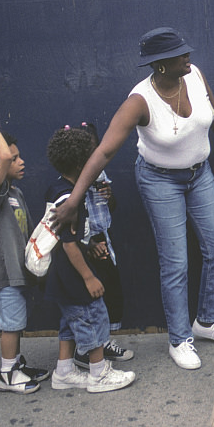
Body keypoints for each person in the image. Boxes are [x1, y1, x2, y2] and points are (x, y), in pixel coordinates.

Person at [50, 28, 214, 370]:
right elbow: (104, 152)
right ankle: (179, 339)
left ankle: (205, 321)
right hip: (160, 180)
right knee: (176, 262)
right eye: (180, 54)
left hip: (200, 174)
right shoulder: (139, 102)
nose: (188, 57)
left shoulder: (196, 74)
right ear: (160, 65)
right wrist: (74, 200)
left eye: (187, 52)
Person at [44, 128, 136, 393]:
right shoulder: (69, 199)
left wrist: (93, 243)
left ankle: (64, 371)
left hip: (62, 272)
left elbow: (73, 237)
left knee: (69, 323)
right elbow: (69, 244)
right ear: (80, 164)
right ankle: (99, 373)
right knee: (93, 316)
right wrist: (88, 276)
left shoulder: (61, 188)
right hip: (74, 274)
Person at [0, 116, 50, 394]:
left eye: (19, 158)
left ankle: (16, 364)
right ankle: (6, 374)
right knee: (11, 324)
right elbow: (4, 156)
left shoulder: (15, 193)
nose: (19, 162)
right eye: (14, 158)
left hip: (18, 273)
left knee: (17, 321)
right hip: (2, 272)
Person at [72, 121, 133, 370]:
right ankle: (86, 349)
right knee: (89, 299)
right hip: (87, 245)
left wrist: (110, 198)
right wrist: (89, 245)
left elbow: (109, 208)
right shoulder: (72, 181)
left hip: (103, 240)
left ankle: (103, 341)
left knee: (110, 292)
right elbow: (73, 218)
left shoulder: (101, 174)